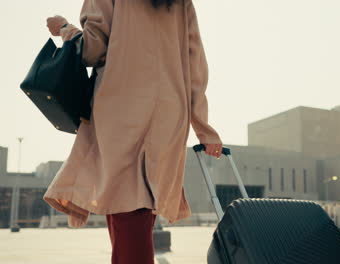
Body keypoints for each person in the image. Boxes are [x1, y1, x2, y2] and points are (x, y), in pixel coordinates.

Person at [44, 0, 223, 263]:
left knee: (126, 206)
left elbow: (92, 50)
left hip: (121, 107)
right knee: (134, 207)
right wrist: (203, 128)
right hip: (169, 113)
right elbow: (195, 61)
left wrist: (63, 28)